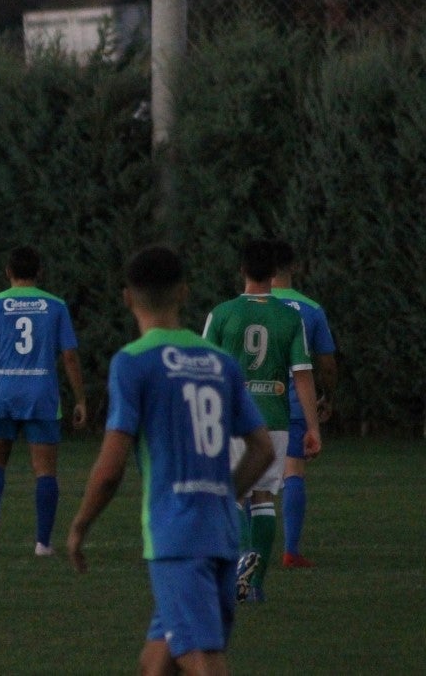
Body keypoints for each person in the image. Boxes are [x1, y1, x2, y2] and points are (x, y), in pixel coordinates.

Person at [67, 245, 274, 676]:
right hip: (221, 532)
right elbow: (262, 449)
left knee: (201, 658)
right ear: (183, 292)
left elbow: (110, 469)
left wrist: (79, 526)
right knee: (156, 664)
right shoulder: (220, 362)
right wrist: (222, 495)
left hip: (176, 537)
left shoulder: (133, 362)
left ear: (127, 297)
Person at [202, 238, 321, 603]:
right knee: (265, 497)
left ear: (241, 271)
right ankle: (255, 586)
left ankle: (241, 564)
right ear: (273, 274)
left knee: (231, 494)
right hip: (275, 417)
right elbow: (302, 374)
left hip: (233, 417)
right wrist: (313, 426)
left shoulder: (221, 314)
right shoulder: (290, 317)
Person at [0, 246, 87, 558]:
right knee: (45, 471)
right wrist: (80, 399)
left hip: (3, 392)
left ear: (8, 272)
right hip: (41, 393)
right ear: (39, 274)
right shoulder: (55, 306)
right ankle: (42, 543)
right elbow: (70, 356)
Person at [270, 239, 338, 568]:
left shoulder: (244, 307)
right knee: (293, 470)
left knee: (249, 477)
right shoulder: (310, 309)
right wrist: (328, 395)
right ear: (294, 268)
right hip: (295, 402)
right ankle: (290, 550)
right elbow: (325, 363)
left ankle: (245, 550)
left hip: (254, 402)